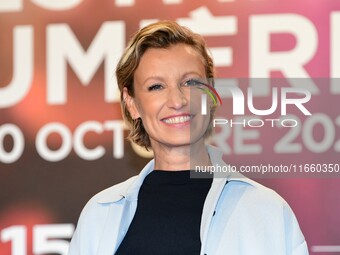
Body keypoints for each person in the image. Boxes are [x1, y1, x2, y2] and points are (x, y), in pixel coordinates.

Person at [68, 20, 308, 255]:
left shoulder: (266, 211)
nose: (178, 101)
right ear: (132, 104)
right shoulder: (100, 214)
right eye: (156, 87)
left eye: (190, 82)